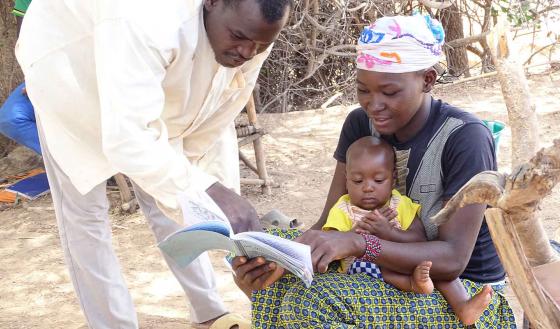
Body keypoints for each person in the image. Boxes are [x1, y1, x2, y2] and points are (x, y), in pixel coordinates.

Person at [15, 0, 291, 328]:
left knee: (174, 190)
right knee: (85, 214)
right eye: (239, 37)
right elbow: (127, 141)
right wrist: (205, 189)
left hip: (142, 72)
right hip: (71, 69)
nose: (248, 52)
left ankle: (209, 313)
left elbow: (216, 117)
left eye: (261, 45)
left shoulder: (252, 34)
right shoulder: (146, 18)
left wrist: (219, 218)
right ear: (213, 2)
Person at [231, 15, 517, 328]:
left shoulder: (465, 138)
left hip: (461, 290)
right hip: (384, 270)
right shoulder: (359, 125)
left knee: (314, 302)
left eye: (389, 92)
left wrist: (359, 244)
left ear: (428, 79)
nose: (373, 104)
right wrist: (280, 261)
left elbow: (452, 259)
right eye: (363, 90)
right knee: (271, 250)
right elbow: (329, 220)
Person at [324, 135, 493, 325]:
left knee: (437, 267)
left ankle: (463, 306)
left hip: (403, 263)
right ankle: (413, 284)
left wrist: (388, 233)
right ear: (346, 180)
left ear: (393, 178)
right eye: (357, 181)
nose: (368, 188)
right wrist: (353, 234)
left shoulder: (399, 205)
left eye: (378, 180)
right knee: (383, 266)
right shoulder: (343, 208)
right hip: (362, 271)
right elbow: (330, 242)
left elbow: (418, 238)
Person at [0, 0, 40, 155]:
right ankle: (68, 162)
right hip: (47, 76)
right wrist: (33, 79)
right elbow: (25, 44)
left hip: (92, 75)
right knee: (10, 119)